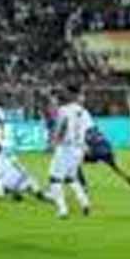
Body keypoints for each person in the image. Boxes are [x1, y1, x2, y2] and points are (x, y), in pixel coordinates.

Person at [48, 85, 92, 219]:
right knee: (71, 177)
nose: (64, 94)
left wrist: (53, 142)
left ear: (71, 94)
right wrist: (85, 144)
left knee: (54, 179)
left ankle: (63, 210)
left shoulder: (64, 110)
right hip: (79, 149)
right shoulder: (84, 111)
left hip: (66, 148)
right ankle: (85, 202)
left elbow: (61, 127)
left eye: (66, 92)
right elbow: (89, 130)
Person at [78, 126, 130, 191]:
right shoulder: (101, 136)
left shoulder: (87, 135)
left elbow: (87, 147)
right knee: (116, 169)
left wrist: (87, 153)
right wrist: (112, 154)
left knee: (76, 165)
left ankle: (83, 185)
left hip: (96, 154)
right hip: (107, 154)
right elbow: (109, 146)